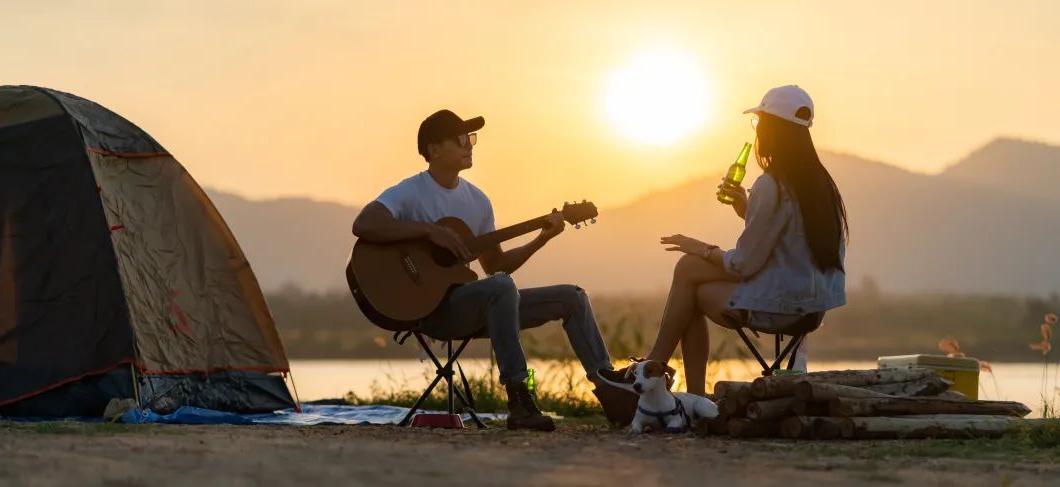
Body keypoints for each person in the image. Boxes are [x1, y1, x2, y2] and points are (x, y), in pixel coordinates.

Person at [351, 109, 633, 431]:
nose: (469, 145)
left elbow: (496, 266)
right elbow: (364, 223)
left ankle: (612, 390)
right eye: (460, 139)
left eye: (470, 139)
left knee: (573, 297)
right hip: (430, 311)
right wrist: (429, 231)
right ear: (434, 149)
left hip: (476, 306)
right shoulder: (410, 192)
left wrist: (541, 239)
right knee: (501, 286)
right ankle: (519, 398)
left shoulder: (478, 201)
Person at [640, 85, 848, 394]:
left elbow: (744, 265)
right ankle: (663, 375)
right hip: (812, 307)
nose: (757, 130)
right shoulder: (821, 185)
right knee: (689, 269)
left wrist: (702, 248)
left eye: (759, 122)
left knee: (690, 278)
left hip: (782, 305)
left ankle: (662, 377)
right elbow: (790, 240)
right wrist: (747, 210)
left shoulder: (772, 185)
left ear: (772, 129)